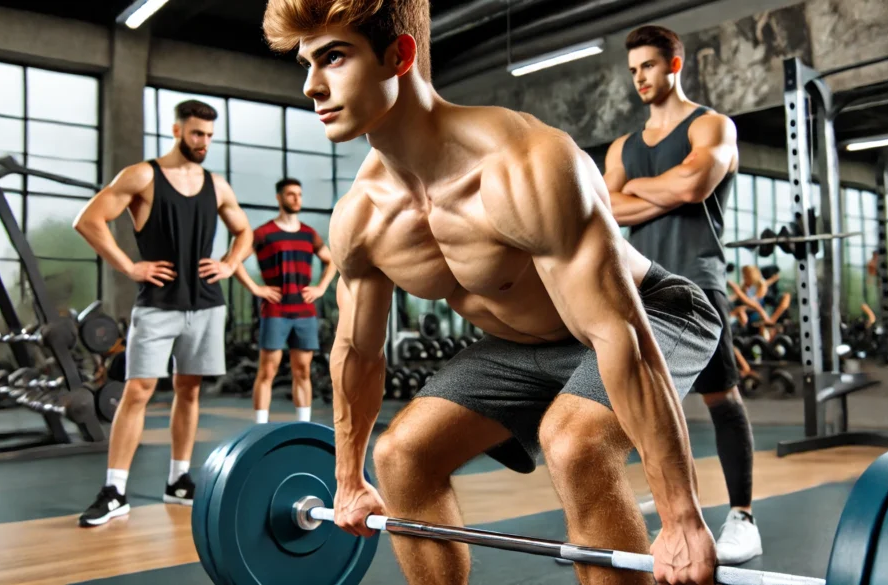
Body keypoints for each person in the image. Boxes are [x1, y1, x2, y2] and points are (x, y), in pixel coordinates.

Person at [264, 3, 723, 585]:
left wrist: (681, 518)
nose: (311, 85)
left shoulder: (525, 164)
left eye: (333, 56)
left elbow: (617, 332)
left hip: (647, 313)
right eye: (306, 63)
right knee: (401, 457)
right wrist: (349, 478)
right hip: (520, 344)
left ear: (399, 56)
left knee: (573, 443)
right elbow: (357, 353)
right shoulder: (362, 217)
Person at [602, 25, 762, 565]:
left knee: (721, 396)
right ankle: (677, 495)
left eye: (648, 66)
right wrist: (664, 189)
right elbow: (605, 209)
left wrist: (639, 191)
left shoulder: (711, 125)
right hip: (642, 282)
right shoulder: (624, 145)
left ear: (674, 64)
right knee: (646, 398)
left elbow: (694, 187)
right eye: (632, 70)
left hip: (697, 276)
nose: (639, 77)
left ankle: (742, 517)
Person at [72, 99, 252, 527]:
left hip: (207, 305)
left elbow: (243, 230)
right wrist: (129, 266)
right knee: (137, 391)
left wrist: (228, 264)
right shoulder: (142, 176)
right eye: (196, 134)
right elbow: (89, 220)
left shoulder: (217, 184)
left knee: (189, 391)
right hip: (158, 305)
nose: (204, 142)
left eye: (209, 135)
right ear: (176, 131)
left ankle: (178, 480)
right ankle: (114, 490)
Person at [232, 178, 337, 424]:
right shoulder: (264, 233)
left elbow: (331, 261)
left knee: (303, 372)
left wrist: (321, 288)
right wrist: (256, 289)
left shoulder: (308, 234)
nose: (296, 199)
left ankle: (303, 425)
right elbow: (234, 261)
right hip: (275, 311)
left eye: (299, 194)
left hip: (304, 312)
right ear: (279, 198)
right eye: (290, 194)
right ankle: (260, 428)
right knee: (267, 371)